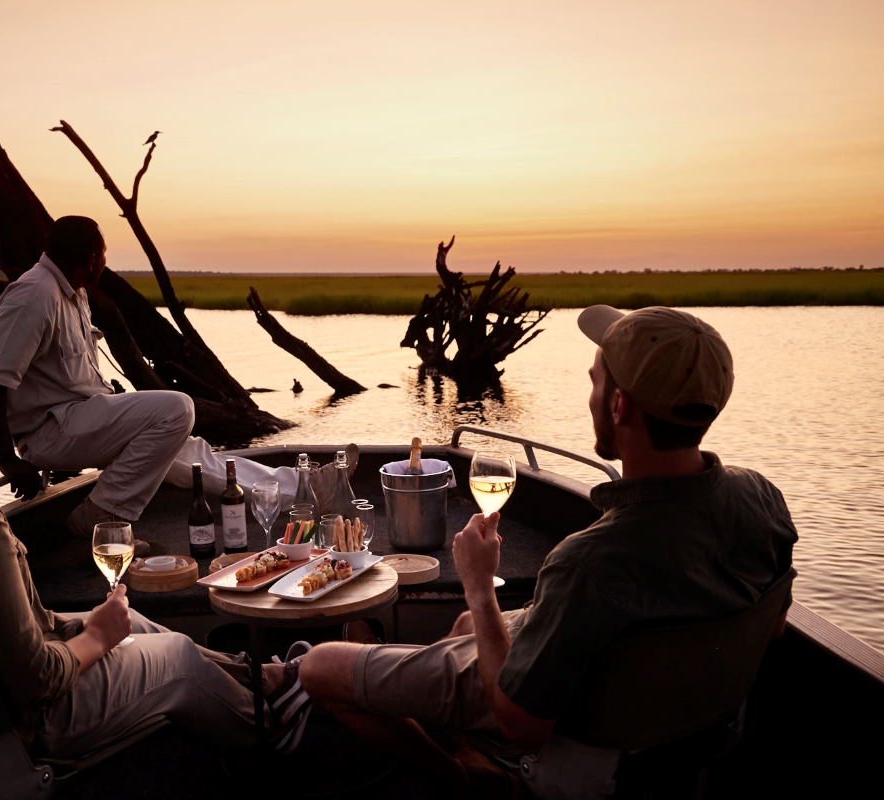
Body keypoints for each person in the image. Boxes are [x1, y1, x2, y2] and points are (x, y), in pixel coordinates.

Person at [298, 305, 798, 796]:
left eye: (595, 382)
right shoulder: (762, 500)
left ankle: (455, 775)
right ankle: (445, 726)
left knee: (318, 667)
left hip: (583, 767)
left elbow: (522, 725)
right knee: (467, 628)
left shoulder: (589, 560)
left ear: (619, 406)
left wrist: (477, 584)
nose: (592, 395)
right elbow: (772, 626)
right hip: (687, 745)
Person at [0, 288, 314, 760]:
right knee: (177, 656)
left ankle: (263, 680)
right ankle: (270, 732)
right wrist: (96, 637)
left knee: (132, 621)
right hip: (19, 723)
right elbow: (38, 681)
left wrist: (98, 626)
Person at [0, 215, 353, 554]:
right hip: (52, 433)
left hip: (79, 421)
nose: (105, 262)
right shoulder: (34, 294)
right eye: (104, 255)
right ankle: (104, 514)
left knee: (188, 453)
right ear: (91, 260)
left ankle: (298, 488)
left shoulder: (74, 294)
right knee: (177, 408)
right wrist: (7, 459)